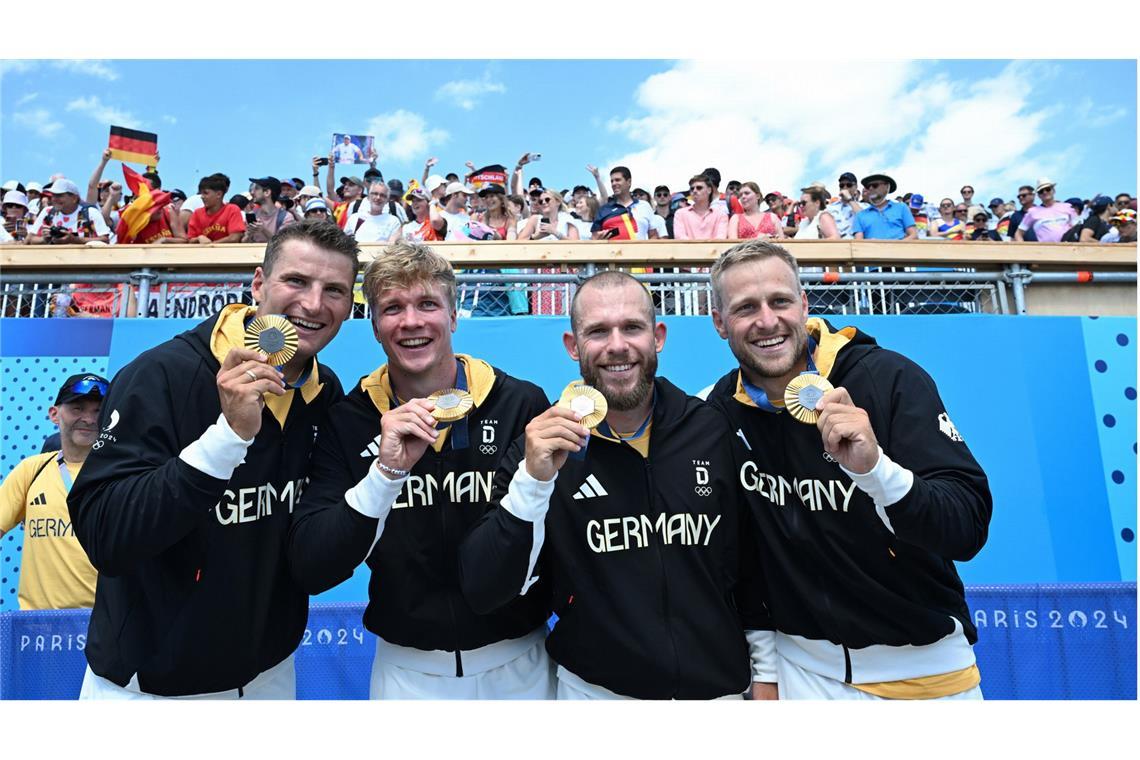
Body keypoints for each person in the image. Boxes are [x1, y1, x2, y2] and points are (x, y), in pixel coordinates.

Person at [68, 220, 359, 699]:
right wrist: (227, 438)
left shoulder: (324, 391)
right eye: (296, 281)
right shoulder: (160, 373)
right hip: (152, 692)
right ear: (259, 284)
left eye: (334, 290)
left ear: (349, 306)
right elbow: (107, 537)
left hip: (271, 676)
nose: (312, 304)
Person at [459, 270, 768, 700]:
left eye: (632, 328)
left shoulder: (712, 429)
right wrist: (532, 481)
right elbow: (484, 587)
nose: (618, 346)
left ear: (658, 336)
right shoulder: (541, 447)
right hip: (595, 697)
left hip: (719, 696)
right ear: (573, 346)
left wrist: (765, 672)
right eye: (598, 331)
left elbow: (755, 565)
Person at [705, 240, 992, 700]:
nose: (767, 321)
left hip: (928, 675)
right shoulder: (719, 411)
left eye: (780, 301)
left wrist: (875, 470)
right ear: (719, 323)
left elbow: (966, 527)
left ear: (803, 303)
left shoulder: (890, 379)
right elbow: (743, 559)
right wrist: (767, 670)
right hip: (804, 676)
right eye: (745, 308)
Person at [286, 242, 553, 699]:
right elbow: (313, 565)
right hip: (406, 673)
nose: (411, 321)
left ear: (452, 316)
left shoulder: (519, 403)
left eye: (427, 304)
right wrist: (384, 474)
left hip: (520, 663)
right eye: (392, 308)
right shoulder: (349, 420)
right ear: (373, 326)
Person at [1, 374, 108, 610]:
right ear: (54, 414)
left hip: (104, 624)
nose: (89, 419)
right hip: (38, 627)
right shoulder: (31, 470)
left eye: (98, 410)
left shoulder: (121, 474)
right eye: (77, 408)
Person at [26, 178, 110, 245]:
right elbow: (29, 239)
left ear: (74, 198)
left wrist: (74, 240)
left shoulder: (91, 213)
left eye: (59, 195)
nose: (54, 199)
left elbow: (105, 240)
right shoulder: (47, 212)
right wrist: (45, 239)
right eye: (53, 195)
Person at [588, 165, 658, 240]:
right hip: (612, 251)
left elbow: (653, 235)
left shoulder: (644, 205)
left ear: (629, 182)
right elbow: (594, 239)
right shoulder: (604, 210)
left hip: (641, 251)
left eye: (617, 180)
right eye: (612, 181)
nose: (614, 184)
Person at [852, 174, 917, 240]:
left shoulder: (901, 207)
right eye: (868, 186)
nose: (871, 188)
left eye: (875, 185)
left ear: (887, 187)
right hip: (872, 249)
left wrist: (893, 247)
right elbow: (858, 243)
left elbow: (914, 236)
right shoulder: (860, 215)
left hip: (900, 249)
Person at [186, 173, 246, 243]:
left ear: (218, 194)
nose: (202, 196)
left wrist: (211, 245)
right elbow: (190, 240)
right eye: (201, 193)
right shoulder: (197, 213)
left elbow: (234, 238)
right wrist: (199, 238)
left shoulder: (232, 210)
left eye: (206, 193)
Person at [1014, 178, 1077, 242]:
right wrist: (1024, 250)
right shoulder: (1032, 212)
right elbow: (1018, 234)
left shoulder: (1067, 207)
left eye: (1048, 189)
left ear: (1054, 191)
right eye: (1041, 191)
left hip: (1068, 249)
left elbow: (1077, 227)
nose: (1045, 192)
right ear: (1038, 195)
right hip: (1045, 250)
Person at [673, 174, 728, 240]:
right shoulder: (680, 214)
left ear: (709, 190)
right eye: (692, 189)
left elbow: (720, 239)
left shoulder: (721, 215)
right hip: (687, 250)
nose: (695, 191)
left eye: (699, 188)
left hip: (715, 250)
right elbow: (681, 238)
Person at [243, 177, 296, 244]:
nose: (252, 192)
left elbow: (283, 244)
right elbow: (244, 243)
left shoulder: (286, 217)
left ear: (267, 192)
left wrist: (263, 229)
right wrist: (249, 234)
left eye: (257, 189)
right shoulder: (253, 214)